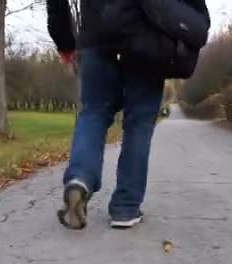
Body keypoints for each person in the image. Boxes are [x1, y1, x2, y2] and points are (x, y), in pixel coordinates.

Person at [47, 0, 209, 230]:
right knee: (139, 122)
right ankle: (125, 208)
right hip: (147, 41)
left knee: (93, 112)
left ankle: (79, 179)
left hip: (96, 38)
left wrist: (64, 40)